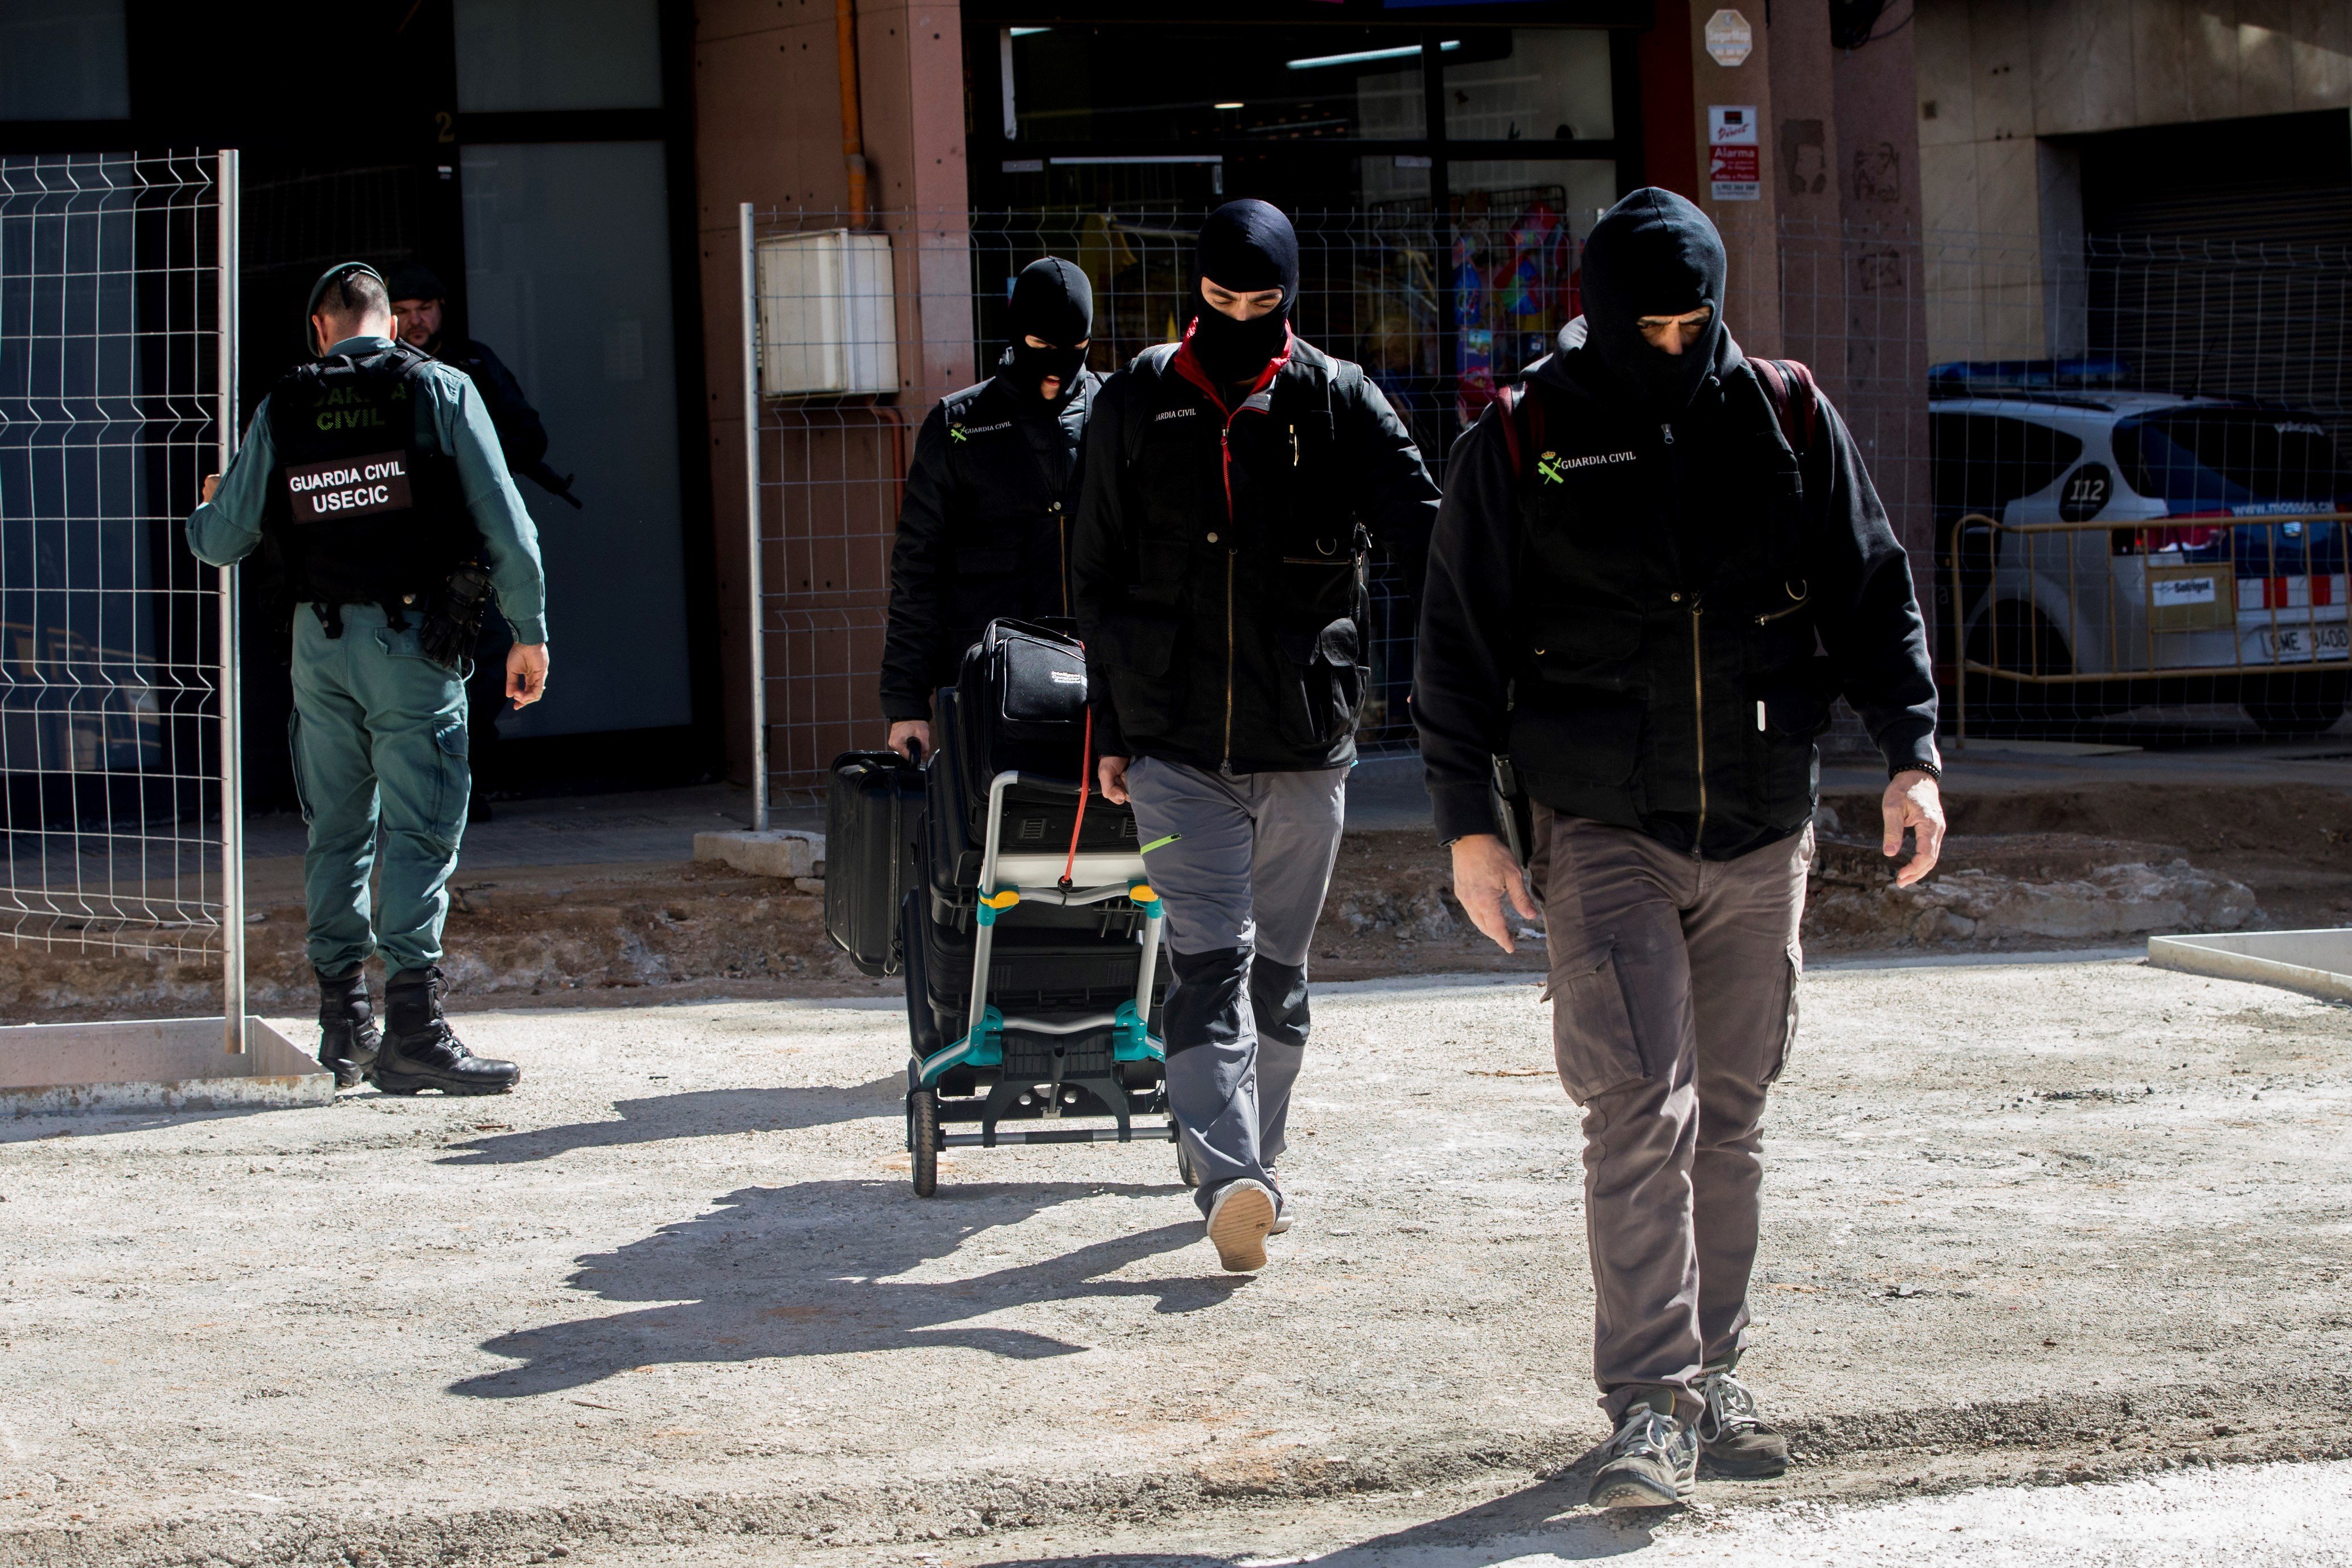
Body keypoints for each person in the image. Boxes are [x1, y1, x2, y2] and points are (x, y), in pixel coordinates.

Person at [1412, 188, 1945, 1507]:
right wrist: (1472, 828)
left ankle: (1716, 1369)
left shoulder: (1787, 414)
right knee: (1639, 1109)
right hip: (1603, 825)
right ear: (1595, 313)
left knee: (1734, 1110)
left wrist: (1913, 753)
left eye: (1691, 319)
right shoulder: (1524, 435)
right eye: (1643, 322)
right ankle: (1648, 1401)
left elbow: (1873, 588)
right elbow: (1454, 650)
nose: (1669, 343)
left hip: (1764, 823)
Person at [1074, 200, 1440, 1273]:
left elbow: (1431, 526)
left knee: (1276, 975)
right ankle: (1229, 1167)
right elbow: (1092, 575)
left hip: (1303, 744)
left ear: (1290, 295)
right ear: (1195, 290)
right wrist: (1110, 721)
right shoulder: (1137, 399)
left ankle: (1252, 1166)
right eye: (1220, 299)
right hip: (1174, 746)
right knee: (1207, 962)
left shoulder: (1336, 399)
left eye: (1261, 301)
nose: (1238, 317)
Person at [187, 262, 551, 1095]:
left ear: (320, 327)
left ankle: (343, 1023)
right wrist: (528, 632)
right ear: (389, 324)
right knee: (421, 828)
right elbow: (507, 520)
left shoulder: (283, 402)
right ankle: (415, 1029)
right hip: (414, 647)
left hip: (318, 648)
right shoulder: (441, 389)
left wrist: (209, 503)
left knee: (337, 830)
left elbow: (219, 542)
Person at [880, 256, 1102, 760]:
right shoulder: (958, 425)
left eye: (1075, 349)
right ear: (1015, 334)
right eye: (1041, 347)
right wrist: (904, 703)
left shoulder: (1114, 412)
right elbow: (917, 570)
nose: (1056, 367)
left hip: (1102, 682)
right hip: (991, 686)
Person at [385, 262, 574, 812]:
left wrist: (479, 464)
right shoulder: (383, 370)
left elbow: (527, 433)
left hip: (472, 537)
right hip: (408, 544)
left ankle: (468, 772)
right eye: (402, 312)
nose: (416, 322)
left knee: (488, 652)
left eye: (424, 309)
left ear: (442, 309)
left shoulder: (471, 364)